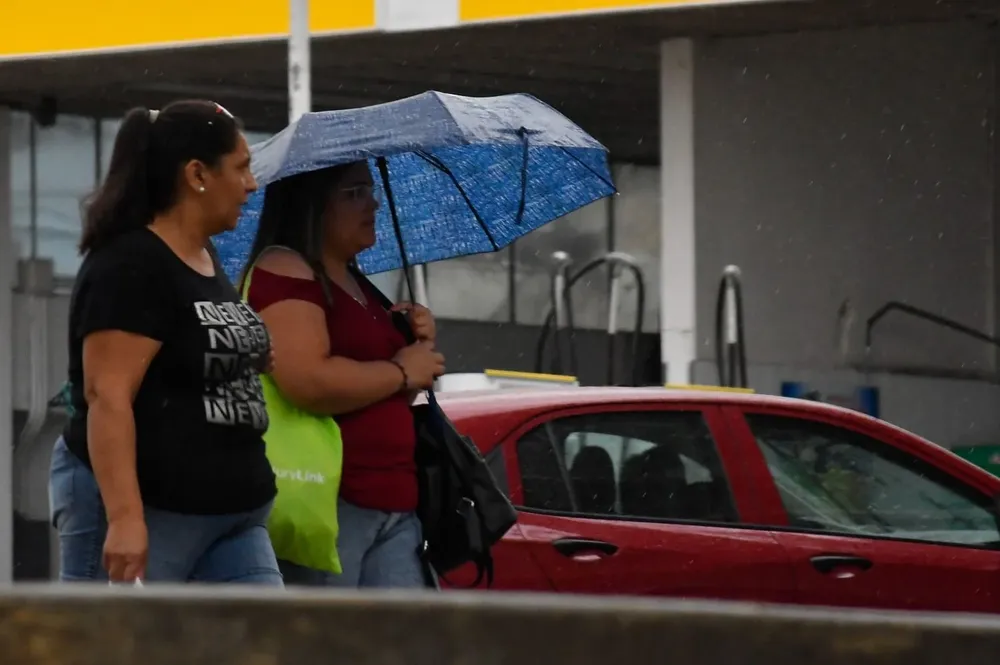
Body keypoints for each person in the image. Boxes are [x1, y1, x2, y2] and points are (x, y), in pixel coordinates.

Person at [49, 100, 282, 585]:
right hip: (155, 513)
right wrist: (125, 519)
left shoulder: (204, 253)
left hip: (233, 515)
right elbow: (107, 395)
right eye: (241, 168)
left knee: (267, 651)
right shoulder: (131, 264)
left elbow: (188, 349)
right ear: (197, 174)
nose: (252, 185)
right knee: (111, 650)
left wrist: (247, 354)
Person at [242, 161, 445, 588]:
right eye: (353, 193)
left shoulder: (356, 280)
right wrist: (401, 370)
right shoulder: (286, 268)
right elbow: (307, 382)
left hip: (392, 499)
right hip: (329, 501)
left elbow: (383, 396)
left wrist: (416, 348)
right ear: (311, 204)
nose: (372, 204)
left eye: (370, 190)